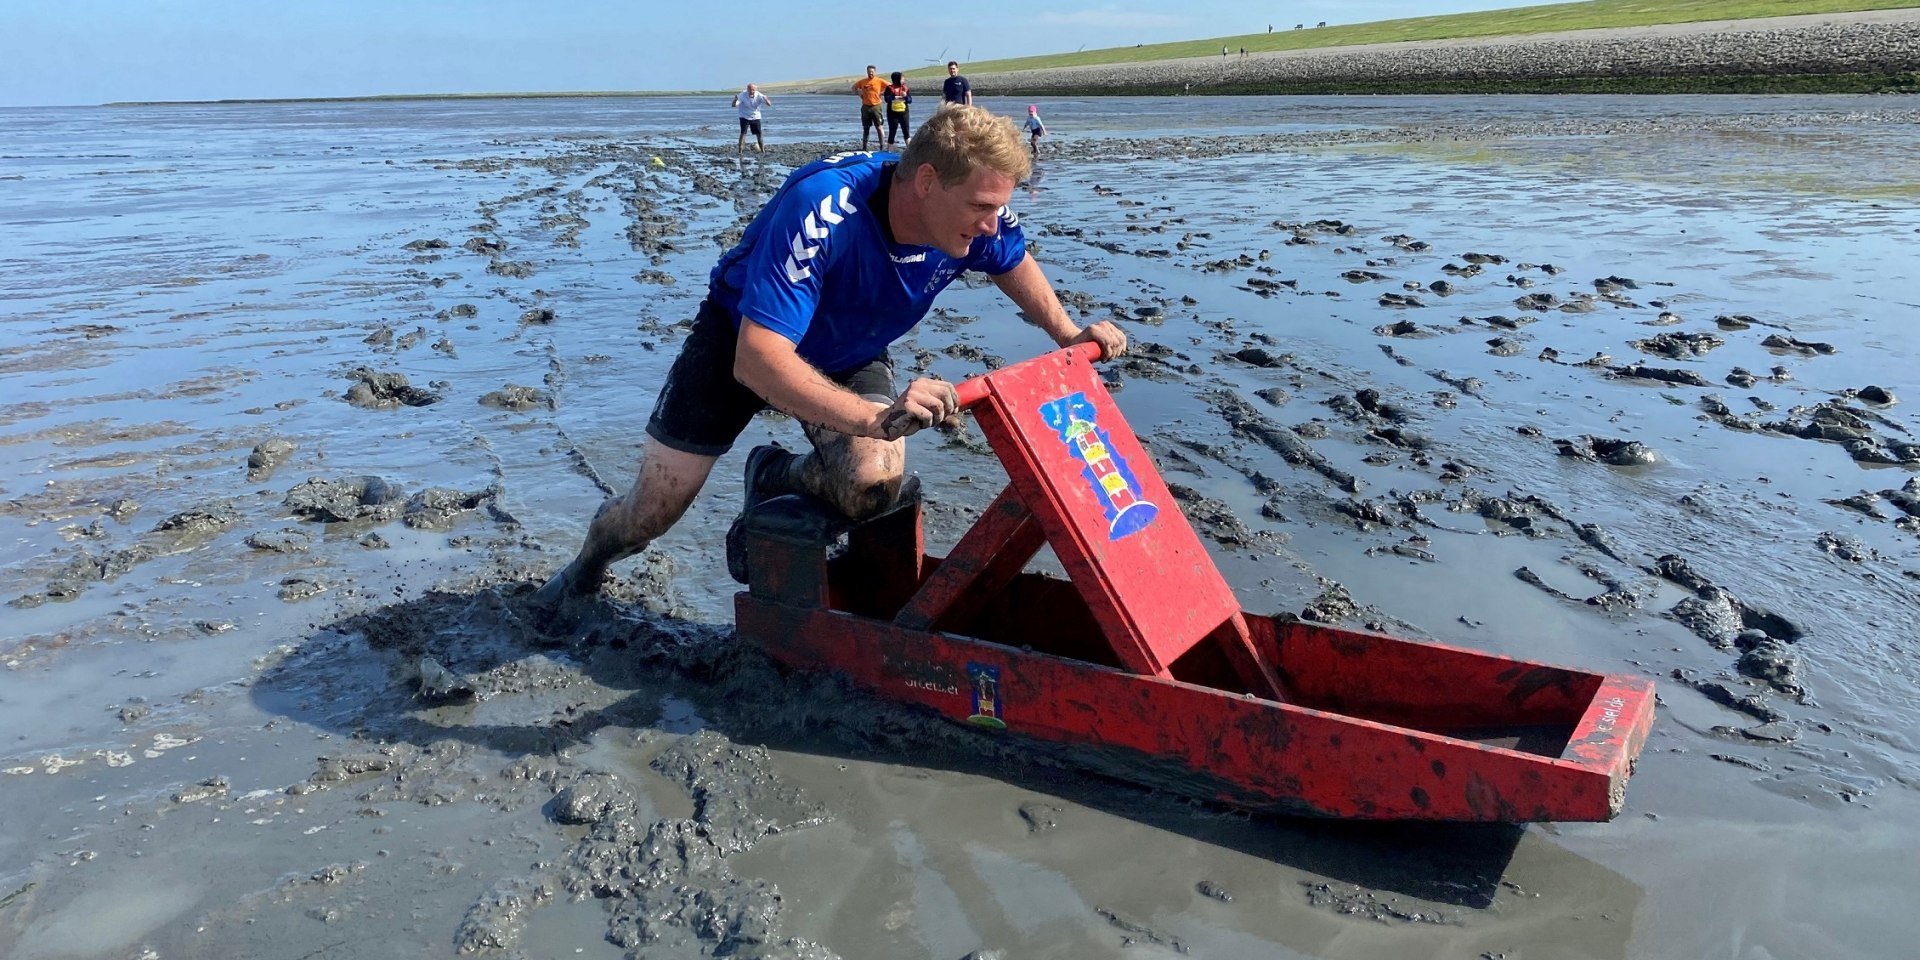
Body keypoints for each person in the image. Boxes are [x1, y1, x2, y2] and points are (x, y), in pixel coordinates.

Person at [530, 106, 1127, 609]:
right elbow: (759, 361)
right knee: (651, 513)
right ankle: (582, 572)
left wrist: (1068, 333)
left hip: (850, 352)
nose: (992, 224)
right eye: (980, 207)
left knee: (873, 483)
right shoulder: (826, 208)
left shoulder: (976, 221)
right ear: (925, 182)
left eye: (999, 208)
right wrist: (872, 418)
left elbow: (1012, 260)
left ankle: (772, 475)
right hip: (744, 343)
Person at [853, 65, 887, 150]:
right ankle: (864, 147)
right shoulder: (863, 81)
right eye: (869, 72)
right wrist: (859, 94)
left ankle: (882, 146)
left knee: (879, 127)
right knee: (866, 127)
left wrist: (882, 93)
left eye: (872, 72)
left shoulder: (879, 81)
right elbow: (854, 88)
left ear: (875, 72)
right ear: (867, 72)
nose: (870, 73)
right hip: (865, 106)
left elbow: (890, 86)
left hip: (876, 106)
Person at [731, 83, 772, 154]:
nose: (751, 91)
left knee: (759, 134)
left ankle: (762, 150)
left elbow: (769, 104)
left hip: (756, 117)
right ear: (747, 89)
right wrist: (735, 100)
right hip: (744, 116)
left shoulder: (759, 95)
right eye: (749, 89)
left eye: (753, 90)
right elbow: (734, 105)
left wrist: (766, 99)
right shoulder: (742, 95)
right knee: (743, 133)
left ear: (755, 90)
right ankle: (740, 151)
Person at [883, 71, 912, 148]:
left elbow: (910, 100)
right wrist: (894, 96)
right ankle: (889, 151)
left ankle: (910, 150)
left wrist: (905, 96)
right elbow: (886, 99)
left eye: (903, 79)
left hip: (904, 113)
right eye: (902, 79)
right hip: (892, 113)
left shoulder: (905, 88)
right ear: (896, 79)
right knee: (892, 132)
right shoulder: (889, 88)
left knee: (906, 132)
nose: (903, 80)